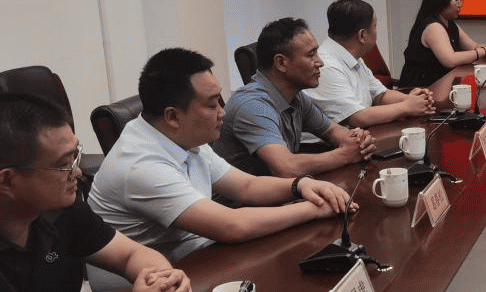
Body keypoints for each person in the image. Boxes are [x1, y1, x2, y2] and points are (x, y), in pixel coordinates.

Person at [89, 49, 355, 264]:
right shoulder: (140, 166)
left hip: (199, 254)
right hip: (150, 281)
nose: (222, 112)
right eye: (211, 104)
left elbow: (246, 187)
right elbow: (232, 226)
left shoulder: (181, 135)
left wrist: (300, 185)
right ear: (172, 116)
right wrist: (314, 208)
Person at [0, 93, 191, 292]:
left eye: (74, 156)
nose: (77, 172)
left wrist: (164, 283)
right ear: (7, 180)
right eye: (63, 164)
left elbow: (131, 255)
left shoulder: (61, 210)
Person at [214, 18, 376, 177]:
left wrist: (358, 140)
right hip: (243, 195)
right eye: (311, 55)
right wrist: (345, 155)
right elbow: (286, 168)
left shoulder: (296, 97)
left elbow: (331, 130)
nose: (320, 62)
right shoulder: (252, 106)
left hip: (279, 189)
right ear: (281, 63)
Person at [305, 0, 436, 127]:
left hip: (361, 134)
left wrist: (413, 100)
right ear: (362, 35)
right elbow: (357, 117)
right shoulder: (326, 66)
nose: (376, 32)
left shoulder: (353, 57)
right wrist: (407, 106)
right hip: (334, 139)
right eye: (375, 26)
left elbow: (380, 95)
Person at [398, 0, 486, 88]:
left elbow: (473, 46)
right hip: (419, 90)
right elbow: (450, 59)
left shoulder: (449, 23)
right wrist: (484, 51)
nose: (460, 4)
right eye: (455, 0)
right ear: (440, 0)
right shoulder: (433, 26)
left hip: (441, 85)